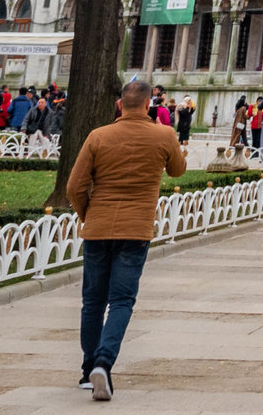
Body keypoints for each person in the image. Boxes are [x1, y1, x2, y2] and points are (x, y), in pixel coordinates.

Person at [67, 78, 187, 400]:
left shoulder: (98, 136)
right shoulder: (164, 134)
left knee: (93, 300)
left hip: (98, 227)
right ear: (149, 104)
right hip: (135, 229)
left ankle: (87, 370)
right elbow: (177, 170)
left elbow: (74, 187)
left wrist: (87, 213)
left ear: (119, 104)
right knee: (121, 300)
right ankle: (104, 362)